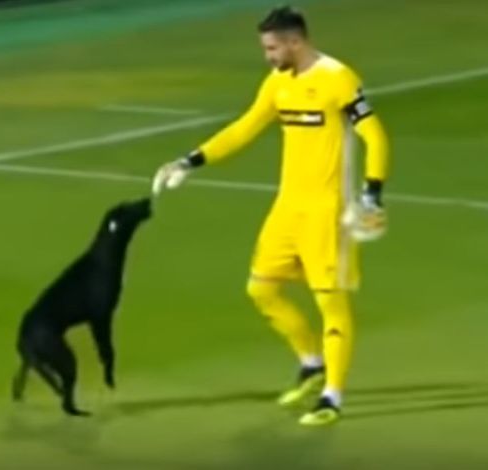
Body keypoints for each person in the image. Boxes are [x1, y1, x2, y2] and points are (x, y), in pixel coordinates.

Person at [151, 5, 390, 426]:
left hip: (326, 213)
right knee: (261, 290)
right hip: (287, 207)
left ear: (296, 41)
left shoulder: (338, 79)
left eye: (273, 47)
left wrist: (372, 194)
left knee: (331, 305)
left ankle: (332, 397)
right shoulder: (279, 82)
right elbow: (244, 127)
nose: (268, 56)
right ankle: (312, 364)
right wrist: (189, 162)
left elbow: (374, 134)